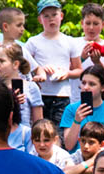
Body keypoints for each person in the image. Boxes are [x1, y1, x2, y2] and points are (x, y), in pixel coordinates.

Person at [25, 0, 83, 130]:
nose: (51, 19)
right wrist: (39, 71)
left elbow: (79, 70)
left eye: (54, 14)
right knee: (39, 130)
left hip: (62, 95)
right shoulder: (33, 42)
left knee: (59, 132)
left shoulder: (70, 42)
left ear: (61, 16)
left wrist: (67, 73)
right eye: (46, 16)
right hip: (39, 94)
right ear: (40, 19)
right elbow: (24, 68)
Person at [61, 64, 104, 149]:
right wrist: (77, 121)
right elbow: (69, 146)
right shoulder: (71, 109)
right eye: (83, 83)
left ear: (103, 87)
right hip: (76, 159)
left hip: (102, 159)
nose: (86, 87)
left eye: (92, 84)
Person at [77, 3, 104, 82]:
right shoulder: (73, 43)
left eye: (96, 24)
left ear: (103, 25)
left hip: (100, 94)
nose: (91, 28)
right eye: (88, 23)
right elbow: (65, 70)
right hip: (76, 93)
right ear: (82, 23)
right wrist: (81, 59)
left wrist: (98, 62)